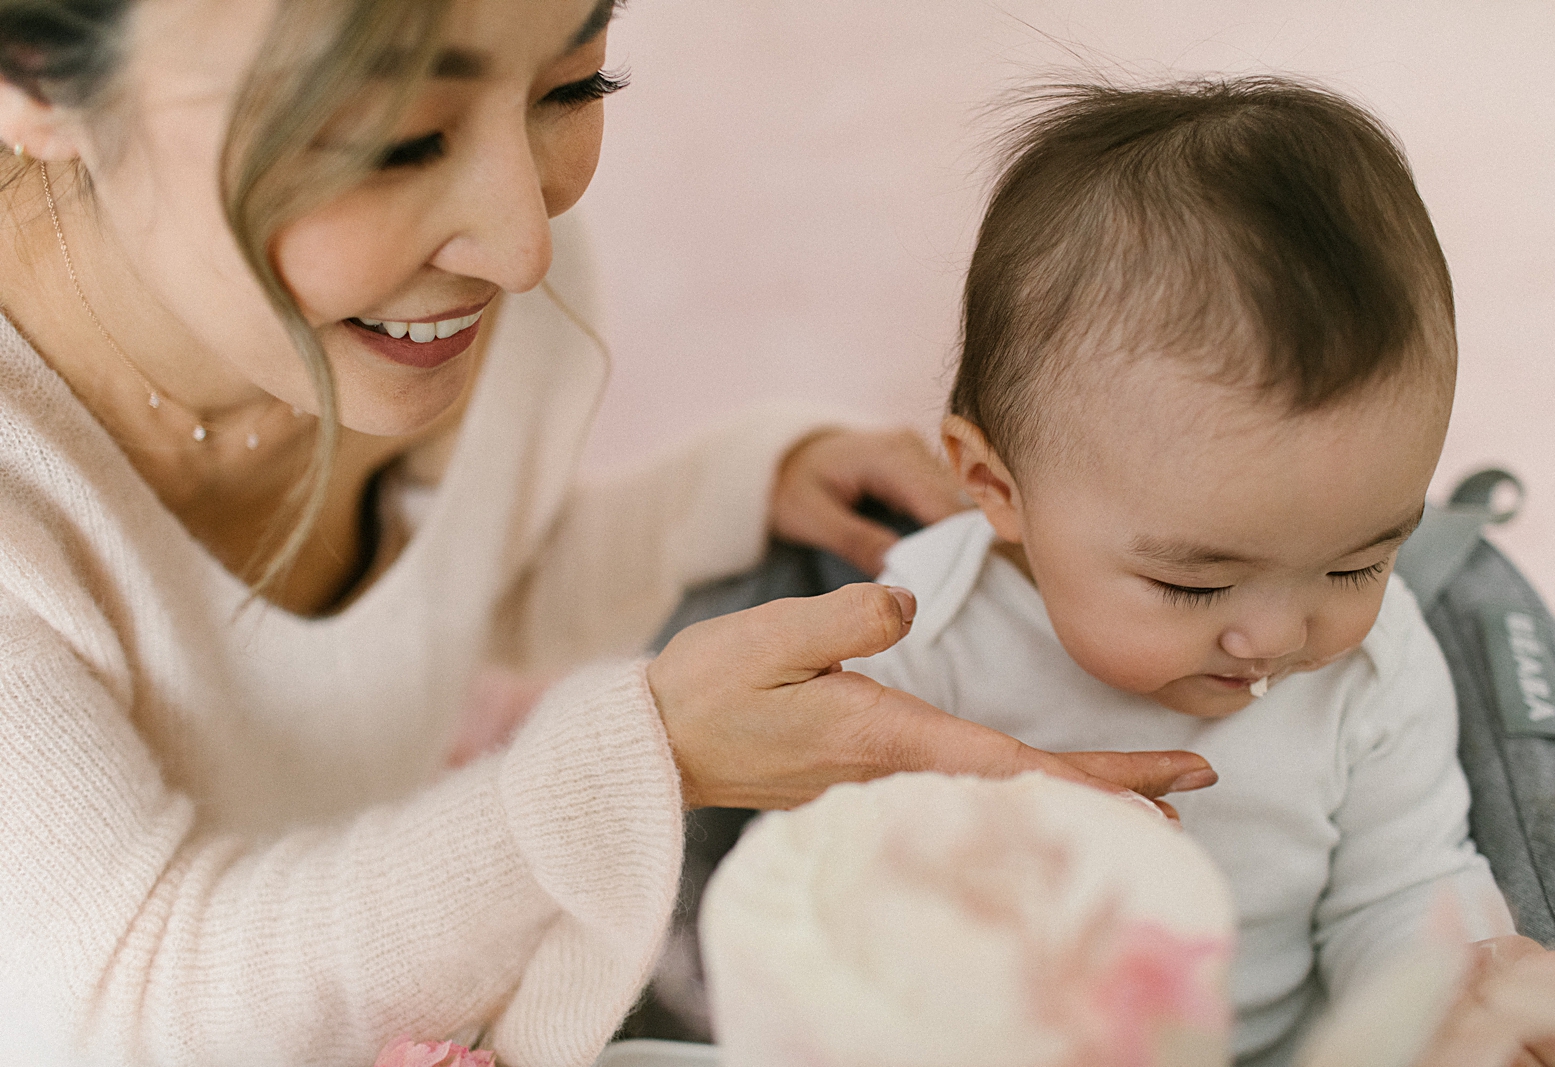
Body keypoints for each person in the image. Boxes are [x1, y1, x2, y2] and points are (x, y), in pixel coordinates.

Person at [0, 2, 1220, 1065]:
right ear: (38, 79)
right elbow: (130, 1014)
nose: (522, 241)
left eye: (574, 83)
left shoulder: (451, 309)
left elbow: (457, 596)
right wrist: (630, 766)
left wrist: (734, 491)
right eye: (394, 139)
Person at [845, 78, 1555, 1067]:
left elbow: (1399, 884)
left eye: (1358, 562)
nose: (1282, 638)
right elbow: (836, 895)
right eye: (1195, 585)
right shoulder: (917, 634)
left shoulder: (1377, 669)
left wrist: (1448, 995)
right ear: (996, 485)